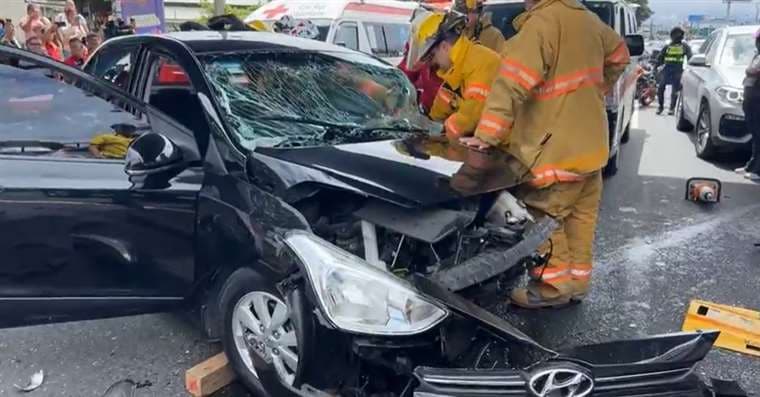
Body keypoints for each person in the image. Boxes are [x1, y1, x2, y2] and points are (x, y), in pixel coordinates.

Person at [460, 0, 630, 308]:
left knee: (542, 222)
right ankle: (576, 285)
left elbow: (510, 85)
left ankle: (551, 290)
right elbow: (620, 55)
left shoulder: (541, 26)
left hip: (554, 152)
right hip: (590, 151)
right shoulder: (589, 21)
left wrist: (486, 136)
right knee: (580, 221)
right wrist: (596, 89)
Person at [412, 12, 501, 141]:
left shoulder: (481, 62)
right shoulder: (456, 71)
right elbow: (439, 110)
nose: (433, 64)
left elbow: (470, 116)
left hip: (511, 149)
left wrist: (439, 134)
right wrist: (425, 125)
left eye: (432, 56)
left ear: (444, 47)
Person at [737, 29, 760, 181]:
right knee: (755, 133)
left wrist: (750, 71)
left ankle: (757, 170)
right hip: (751, 98)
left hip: (758, 99)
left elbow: (753, 71)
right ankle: (751, 165)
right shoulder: (757, 55)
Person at [656, 27, 692, 115]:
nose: (677, 37)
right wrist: (658, 66)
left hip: (677, 70)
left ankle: (671, 108)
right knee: (661, 88)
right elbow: (660, 57)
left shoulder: (684, 46)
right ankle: (661, 107)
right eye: (676, 35)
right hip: (668, 69)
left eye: (679, 35)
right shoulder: (668, 46)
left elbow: (690, 57)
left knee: (674, 90)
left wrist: (689, 68)